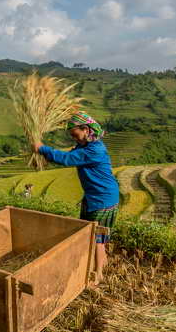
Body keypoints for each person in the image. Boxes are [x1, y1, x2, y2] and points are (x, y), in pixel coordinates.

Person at [34, 111, 119, 284]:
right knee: (92, 235)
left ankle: (98, 276)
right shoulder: (86, 146)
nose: (75, 138)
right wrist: (48, 155)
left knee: (95, 239)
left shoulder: (95, 150)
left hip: (103, 200)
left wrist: (42, 149)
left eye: (76, 134)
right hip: (93, 197)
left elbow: (67, 158)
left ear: (86, 130)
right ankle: (102, 264)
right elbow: (70, 154)